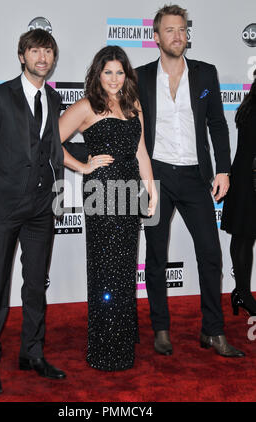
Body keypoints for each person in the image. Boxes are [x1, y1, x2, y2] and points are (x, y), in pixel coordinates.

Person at [136, 4, 244, 357]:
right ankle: (161, 328)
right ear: (156, 37)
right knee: (155, 256)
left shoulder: (205, 73)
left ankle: (212, 331)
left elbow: (217, 124)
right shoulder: (139, 78)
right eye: (169, 30)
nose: (178, 36)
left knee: (210, 255)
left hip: (197, 177)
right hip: (157, 178)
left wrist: (224, 169)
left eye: (182, 29)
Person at [0, 29, 66, 395]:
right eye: (35, 50)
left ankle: (32, 353)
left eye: (47, 51)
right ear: (22, 56)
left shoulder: (55, 100)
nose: (42, 57)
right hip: (5, 207)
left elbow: (53, 150)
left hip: (42, 207)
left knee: (35, 285)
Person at [59, 45, 157, 371]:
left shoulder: (134, 105)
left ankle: (122, 341)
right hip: (101, 194)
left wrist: (151, 187)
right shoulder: (88, 106)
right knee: (105, 270)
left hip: (130, 192)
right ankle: (105, 349)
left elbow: (141, 151)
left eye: (119, 72)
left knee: (125, 267)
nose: (114, 79)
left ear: (126, 75)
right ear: (97, 75)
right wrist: (82, 166)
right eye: (108, 72)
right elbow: (47, 141)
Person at [221, 69, 256, 316]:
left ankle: (240, 292)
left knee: (243, 237)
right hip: (249, 179)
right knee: (245, 237)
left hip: (244, 176)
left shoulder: (249, 104)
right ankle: (242, 293)